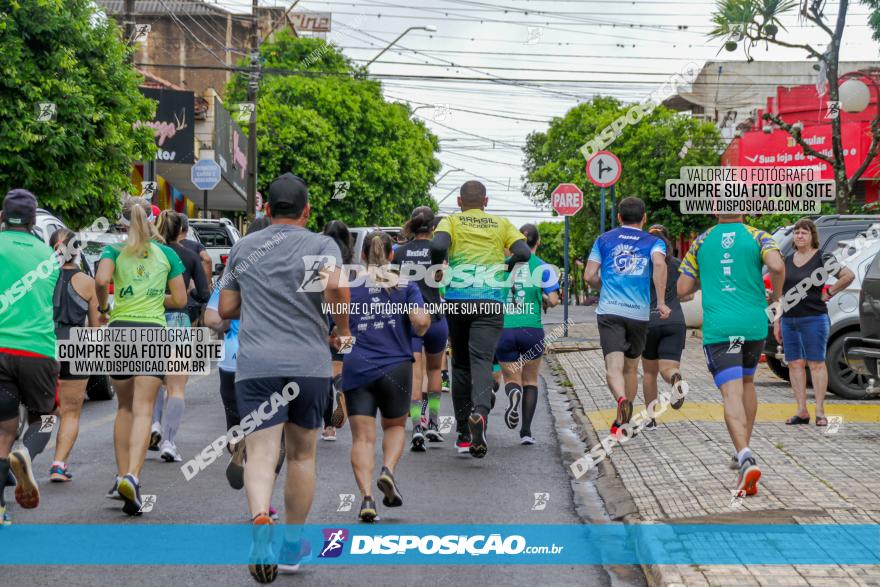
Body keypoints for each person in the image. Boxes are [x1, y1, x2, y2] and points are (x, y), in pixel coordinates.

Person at [218, 173, 350, 580]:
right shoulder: (320, 245)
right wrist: (340, 331)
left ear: (267, 210)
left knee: (260, 453)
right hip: (309, 365)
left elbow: (225, 307)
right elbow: (337, 291)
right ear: (307, 211)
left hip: (256, 365)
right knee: (301, 456)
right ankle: (292, 547)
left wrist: (259, 305)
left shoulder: (243, 248)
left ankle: (261, 518)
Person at [678, 213, 784, 498]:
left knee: (731, 393)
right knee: (747, 384)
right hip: (752, 327)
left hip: (722, 330)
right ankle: (742, 452)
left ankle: (745, 456)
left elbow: (683, 288)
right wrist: (777, 298)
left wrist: (708, 280)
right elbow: (776, 265)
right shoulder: (759, 236)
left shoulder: (700, 242)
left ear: (715, 208)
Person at [95, 197, 188, 516]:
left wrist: (106, 307)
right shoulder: (168, 254)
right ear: (153, 219)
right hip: (152, 332)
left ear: (122, 222)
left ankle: (121, 475)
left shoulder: (113, 251)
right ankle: (133, 477)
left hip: (120, 330)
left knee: (123, 407)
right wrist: (153, 296)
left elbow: (101, 281)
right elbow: (180, 299)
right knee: (144, 408)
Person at [430, 180, 531, 458]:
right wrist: (505, 266)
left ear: (460, 202)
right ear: (486, 201)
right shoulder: (500, 223)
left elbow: (438, 245)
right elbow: (523, 252)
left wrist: (439, 266)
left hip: (458, 301)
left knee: (460, 364)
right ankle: (481, 415)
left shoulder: (450, 221)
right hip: (490, 301)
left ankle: (463, 434)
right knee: (482, 361)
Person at [342, 231, 429, 521]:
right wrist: (420, 323)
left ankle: (367, 499)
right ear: (392, 256)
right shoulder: (406, 284)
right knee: (394, 427)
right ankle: (388, 470)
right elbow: (420, 323)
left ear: (362, 255)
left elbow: (337, 335)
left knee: (362, 440)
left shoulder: (349, 286)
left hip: (358, 366)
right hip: (396, 368)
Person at [584, 197, 669, 439]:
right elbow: (660, 265)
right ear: (644, 218)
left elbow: (589, 275)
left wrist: (605, 288)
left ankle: (621, 400)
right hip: (639, 314)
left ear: (619, 218)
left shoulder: (604, 240)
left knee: (614, 367)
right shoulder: (654, 242)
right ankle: (625, 421)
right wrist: (661, 302)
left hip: (610, 311)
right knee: (631, 368)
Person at [0, 190, 61, 524]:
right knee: (48, 416)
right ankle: (28, 450)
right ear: (34, 221)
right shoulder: (48, 256)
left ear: (2, 217)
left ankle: (0, 509)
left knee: (2, 430)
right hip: (37, 350)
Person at [774, 218, 854, 427]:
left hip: (814, 318)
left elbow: (848, 275)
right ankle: (801, 411)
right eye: (797, 232)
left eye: (804, 232)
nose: (800, 236)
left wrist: (830, 291)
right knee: (794, 364)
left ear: (812, 236)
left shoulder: (823, 258)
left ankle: (819, 412)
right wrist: (777, 321)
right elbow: (782, 294)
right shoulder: (787, 260)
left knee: (816, 363)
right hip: (790, 320)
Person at [149, 211, 211, 463]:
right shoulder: (188, 256)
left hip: (150, 322)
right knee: (176, 387)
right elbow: (204, 293)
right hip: (178, 322)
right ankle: (169, 442)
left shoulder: (149, 254)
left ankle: (153, 423)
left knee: (151, 383)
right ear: (182, 231)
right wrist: (193, 296)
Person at [496, 224, 560, 444]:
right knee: (531, 380)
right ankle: (526, 432)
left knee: (511, 378)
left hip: (505, 329)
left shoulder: (503, 266)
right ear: (538, 242)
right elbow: (553, 299)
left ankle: (512, 397)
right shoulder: (544, 267)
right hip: (532, 330)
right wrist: (541, 298)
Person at [48, 228, 100, 482]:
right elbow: (95, 327)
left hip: (45, 344)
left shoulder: (41, 279)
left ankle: (24, 451)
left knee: (44, 411)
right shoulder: (88, 283)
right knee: (70, 411)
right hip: (77, 345)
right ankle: (59, 464)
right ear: (77, 251)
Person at [395, 207, 449, 449]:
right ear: (433, 227)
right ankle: (434, 423)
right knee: (435, 372)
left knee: (416, 376)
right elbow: (441, 280)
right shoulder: (439, 250)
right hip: (436, 318)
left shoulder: (399, 252)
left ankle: (417, 426)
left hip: (411, 320)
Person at [640, 224, 689, 428]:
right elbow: (689, 294)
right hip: (675, 320)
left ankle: (651, 418)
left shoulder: (642, 264)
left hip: (648, 320)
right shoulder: (678, 264)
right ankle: (675, 379)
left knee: (650, 373)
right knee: (669, 368)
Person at [320, 220, 353, 442]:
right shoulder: (352, 263)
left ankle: (328, 427)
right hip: (347, 321)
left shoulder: (321, 259)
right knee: (341, 366)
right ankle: (343, 389)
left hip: (325, 318)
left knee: (325, 372)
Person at [179, 214, 213, 288]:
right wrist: (206, 285)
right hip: (192, 290)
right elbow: (207, 259)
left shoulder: (164, 246)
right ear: (187, 229)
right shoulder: (196, 246)